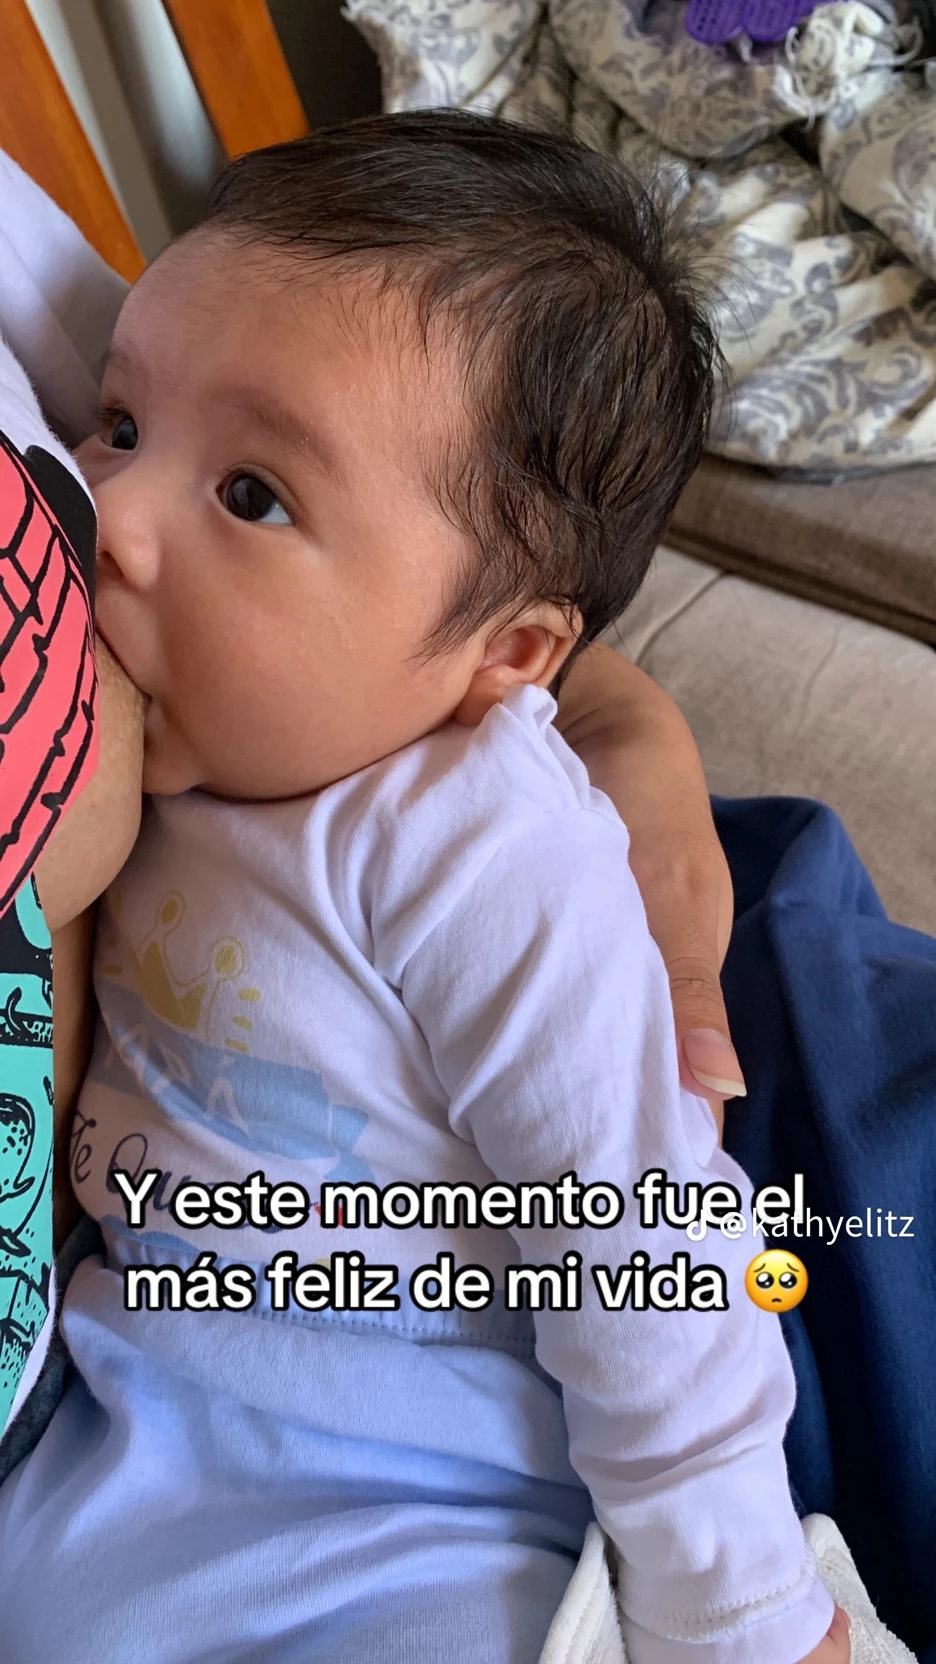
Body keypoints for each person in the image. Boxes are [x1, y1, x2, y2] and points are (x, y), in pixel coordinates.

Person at [0, 113, 848, 1663]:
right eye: (116, 424)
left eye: (251, 496)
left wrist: (737, 1606)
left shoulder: (474, 844)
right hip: (116, 1461)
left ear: (508, 653)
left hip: (427, 1526)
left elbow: (641, 1244)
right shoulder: (184, 745)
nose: (106, 517)